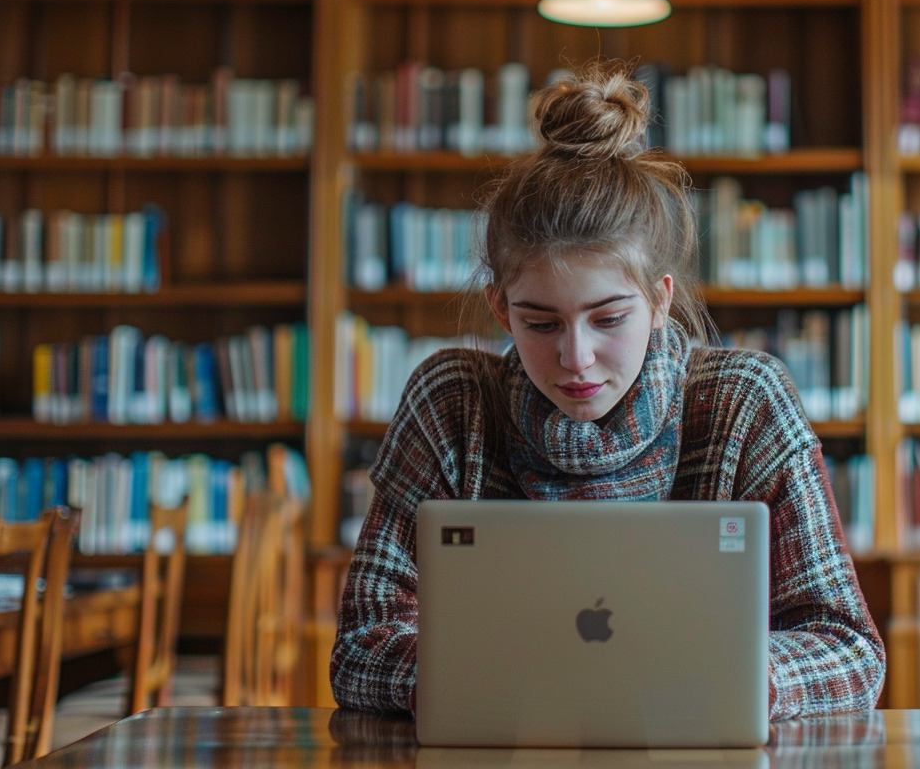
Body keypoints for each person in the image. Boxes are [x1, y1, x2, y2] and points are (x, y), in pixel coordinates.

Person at [330, 59, 885, 719]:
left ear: (659, 301)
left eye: (609, 318)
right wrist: (465, 676)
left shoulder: (747, 402)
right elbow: (359, 649)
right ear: (501, 308)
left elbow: (851, 650)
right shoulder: (450, 404)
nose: (577, 357)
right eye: (540, 322)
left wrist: (740, 676)